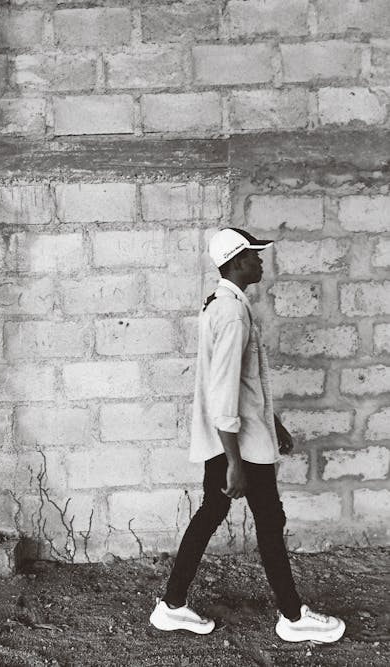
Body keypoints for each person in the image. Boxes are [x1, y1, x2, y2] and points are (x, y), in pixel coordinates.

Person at [149, 228, 346, 644]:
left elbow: (245, 383)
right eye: (255, 256)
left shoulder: (225, 305)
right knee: (269, 521)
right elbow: (224, 393)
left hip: (240, 438)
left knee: (215, 514)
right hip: (238, 446)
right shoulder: (233, 313)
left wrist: (275, 426)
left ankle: (172, 604)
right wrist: (235, 463)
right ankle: (293, 617)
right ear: (238, 262)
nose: (260, 262)